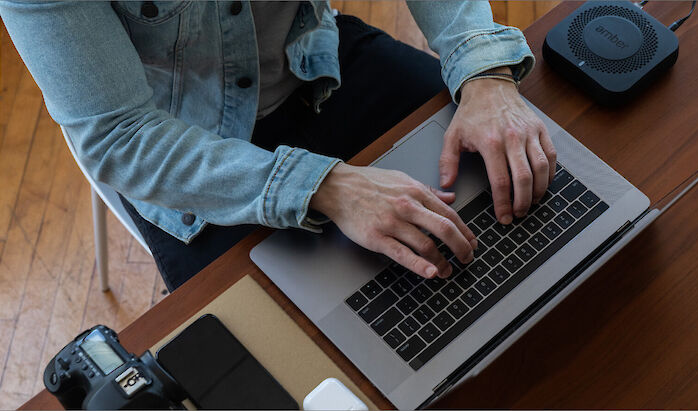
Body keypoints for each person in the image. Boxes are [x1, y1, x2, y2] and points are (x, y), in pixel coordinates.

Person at [0, 1, 556, 291]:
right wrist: (328, 185)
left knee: (538, 209)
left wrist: (483, 71)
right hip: (188, 154)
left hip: (318, 65)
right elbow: (118, 137)